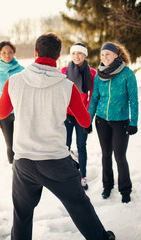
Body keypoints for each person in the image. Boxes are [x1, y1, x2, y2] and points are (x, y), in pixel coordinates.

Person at [0, 33, 115, 240]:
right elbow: (85, 121)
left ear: (35, 52)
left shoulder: (14, 81)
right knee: (79, 205)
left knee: (22, 214)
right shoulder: (67, 86)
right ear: (58, 56)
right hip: (56, 162)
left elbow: (1, 113)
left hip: (23, 161)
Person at [87, 42, 138, 203]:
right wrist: (88, 120)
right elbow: (94, 98)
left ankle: (125, 190)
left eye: (108, 54)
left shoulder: (127, 74)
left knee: (120, 156)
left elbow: (134, 100)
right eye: (102, 54)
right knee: (106, 155)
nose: (104, 57)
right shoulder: (99, 75)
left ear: (116, 55)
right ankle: (107, 186)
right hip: (101, 120)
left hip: (121, 122)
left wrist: (134, 122)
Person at [61, 43, 96, 190]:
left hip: (82, 116)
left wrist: (86, 116)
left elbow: (92, 96)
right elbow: (61, 94)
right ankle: (67, 175)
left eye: (80, 53)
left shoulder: (92, 73)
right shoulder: (64, 71)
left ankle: (82, 176)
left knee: (81, 146)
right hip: (67, 115)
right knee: (65, 146)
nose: (77, 56)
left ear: (85, 55)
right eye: (74, 53)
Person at [0, 41, 24, 163]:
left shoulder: (22, 70)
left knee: (21, 144)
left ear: (14, 53)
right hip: (3, 114)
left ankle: (23, 170)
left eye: (10, 52)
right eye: (4, 53)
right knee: (10, 145)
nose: (7, 55)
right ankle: (13, 169)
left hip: (20, 112)